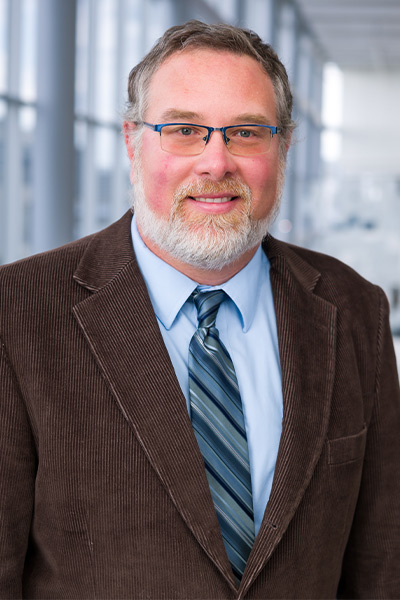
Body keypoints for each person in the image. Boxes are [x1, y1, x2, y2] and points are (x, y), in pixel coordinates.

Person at [0, 20, 399, 600]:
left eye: (245, 132)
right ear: (133, 141)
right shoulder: (17, 313)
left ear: (282, 147)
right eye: (185, 130)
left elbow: (382, 557)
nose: (216, 163)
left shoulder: (354, 308)